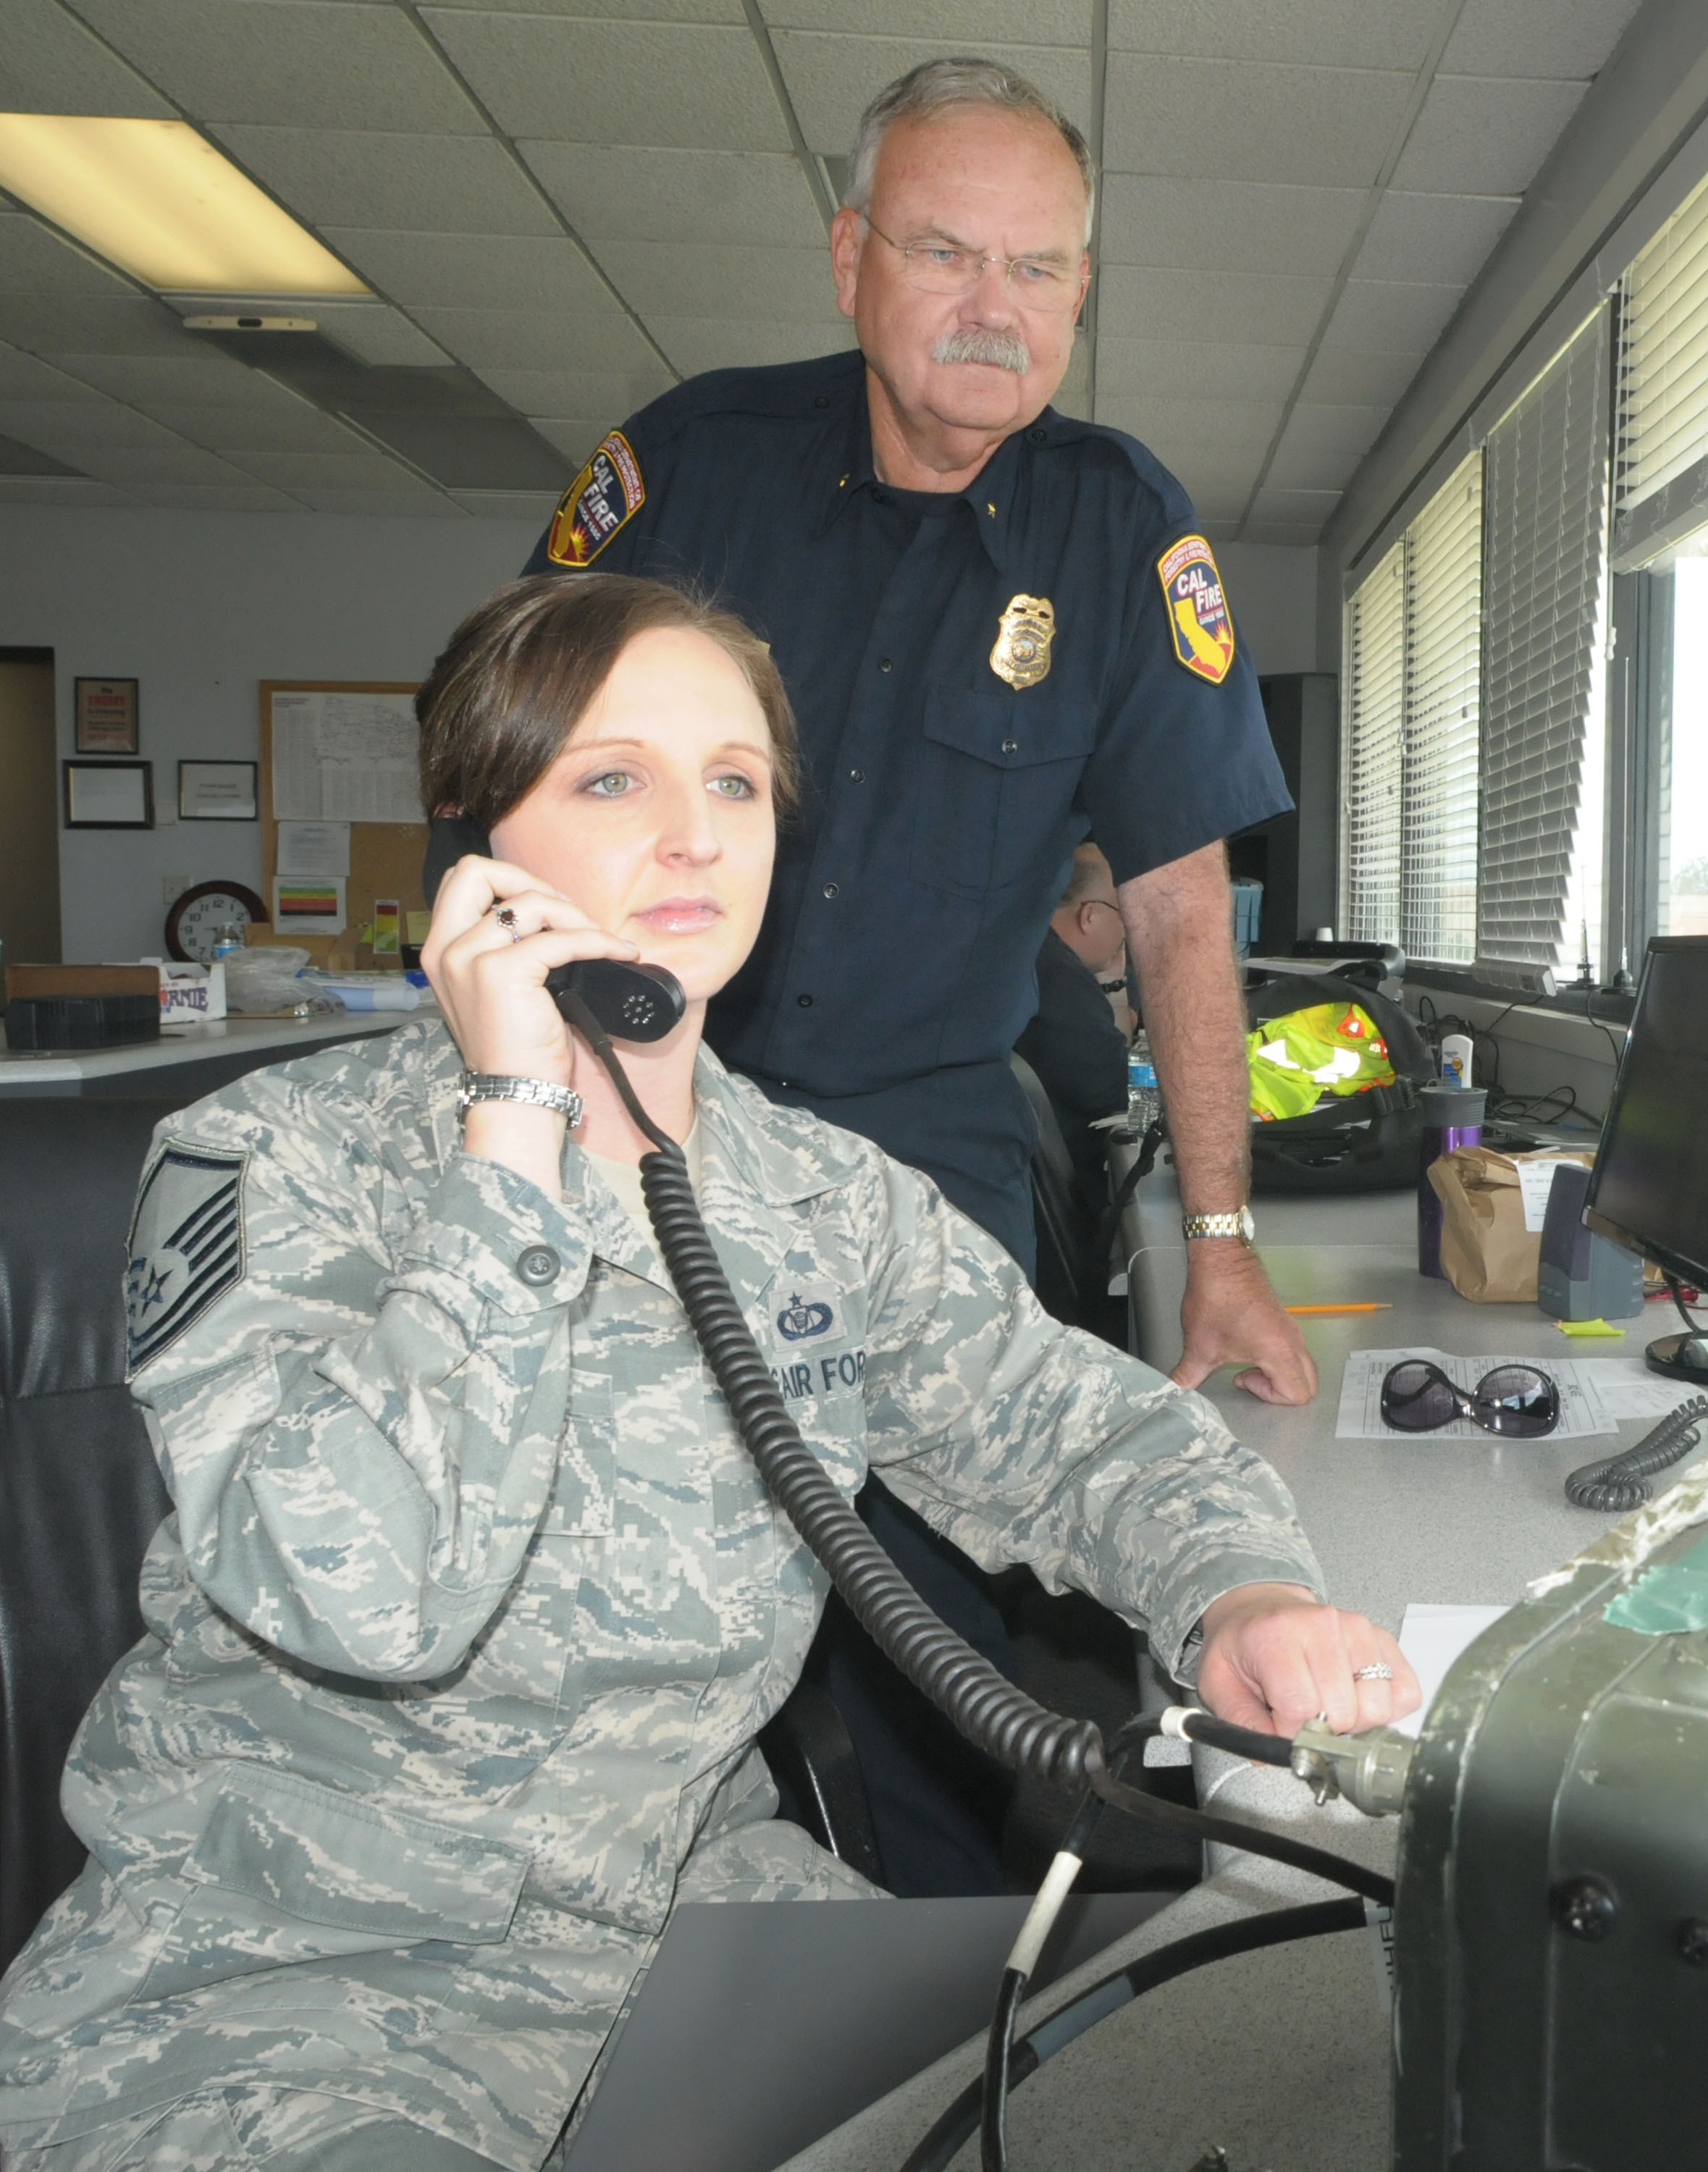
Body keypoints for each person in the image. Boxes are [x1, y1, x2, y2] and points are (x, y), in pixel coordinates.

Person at [0, 573, 1415, 2172]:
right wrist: (514, 1140)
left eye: (734, 783)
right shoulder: (270, 1161)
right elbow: (365, 1594)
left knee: (1271, 2081)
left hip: (688, 1918)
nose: (696, 835)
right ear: (475, 844)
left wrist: (1241, 1597)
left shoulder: (824, 1198)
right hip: (301, 1969)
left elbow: (1078, 1433)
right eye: (613, 779)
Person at [491, 56, 1320, 1891]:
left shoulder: (1118, 531)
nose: (989, 309)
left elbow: (1181, 909)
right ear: (850, 257)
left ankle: (930, 1975)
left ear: (1081, 295)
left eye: (1036, 270)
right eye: (944, 253)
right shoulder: (689, 466)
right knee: (597, 1562)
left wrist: (1226, 1236)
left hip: (919, 1145)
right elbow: (509, 786)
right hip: (641, 1107)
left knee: (932, 1612)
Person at [1014, 841, 1132, 1185]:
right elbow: (1113, 1087)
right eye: (1122, 913)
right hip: (1083, 1194)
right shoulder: (1056, 975)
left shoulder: (1030, 952)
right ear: (1090, 914)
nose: (1128, 929)